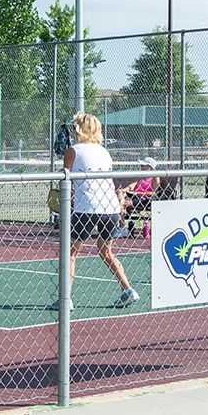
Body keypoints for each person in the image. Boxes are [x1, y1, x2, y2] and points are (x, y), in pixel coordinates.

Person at [55, 112, 140, 310]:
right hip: (110, 208)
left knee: (70, 253)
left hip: (87, 209)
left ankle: (65, 300)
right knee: (105, 251)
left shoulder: (73, 151)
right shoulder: (104, 152)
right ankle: (128, 289)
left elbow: (67, 181)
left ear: (78, 129)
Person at [117, 156, 160, 237]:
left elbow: (154, 193)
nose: (141, 167)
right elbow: (132, 186)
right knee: (121, 198)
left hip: (144, 199)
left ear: (150, 167)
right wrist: (123, 190)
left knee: (122, 202)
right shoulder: (140, 176)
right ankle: (121, 229)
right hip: (134, 196)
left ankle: (122, 228)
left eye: (143, 166)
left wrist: (140, 193)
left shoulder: (155, 177)